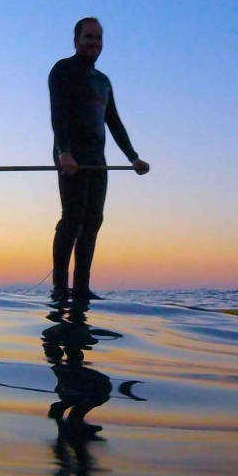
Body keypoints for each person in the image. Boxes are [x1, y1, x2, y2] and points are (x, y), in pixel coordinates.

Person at [49, 17, 149, 304]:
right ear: (76, 40)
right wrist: (64, 152)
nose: (94, 42)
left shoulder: (103, 81)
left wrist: (133, 157)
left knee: (94, 220)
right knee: (72, 219)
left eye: (98, 38)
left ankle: (81, 287)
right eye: (88, 37)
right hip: (71, 155)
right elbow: (58, 114)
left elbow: (114, 122)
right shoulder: (63, 70)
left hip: (98, 159)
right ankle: (60, 287)